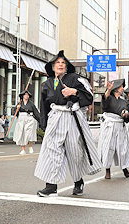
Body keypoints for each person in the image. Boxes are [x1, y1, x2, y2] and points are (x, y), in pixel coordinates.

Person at [34, 50, 101, 197]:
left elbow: (89, 97)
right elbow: (44, 105)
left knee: (75, 151)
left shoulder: (75, 79)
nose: (60, 65)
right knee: (52, 150)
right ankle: (51, 186)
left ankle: (78, 182)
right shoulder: (48, 83)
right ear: (52, 66)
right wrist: (43, 124)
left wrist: (74, 92)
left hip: (72, 117)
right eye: (57, 62)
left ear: (66, 66)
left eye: (63, 62)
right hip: (55, 117)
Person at [98, 79, 129, 179]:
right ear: (116, 88)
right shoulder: (109, 97)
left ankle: (124, 167)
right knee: (108, 147)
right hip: (109, 125)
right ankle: (107, 170)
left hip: (119, 125)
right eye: (121, 86)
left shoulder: (124, 101)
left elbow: (128, 114)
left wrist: (126, 114)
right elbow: (104, 102)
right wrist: (108, 90)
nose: (123, 88)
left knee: (122, 148)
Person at [13, 90, 40, 154]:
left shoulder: (31, 104)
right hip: (21, 118)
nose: (26, 96)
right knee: (22, 133)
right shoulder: (19, 104)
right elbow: (15, 113)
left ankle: (30, 147)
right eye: (25, 95)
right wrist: (17, 109)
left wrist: (40, 120)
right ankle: (23, 150)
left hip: (29, 119)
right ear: (22, 96)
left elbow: (36, 112)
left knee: (29, 133)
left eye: (27, 95)